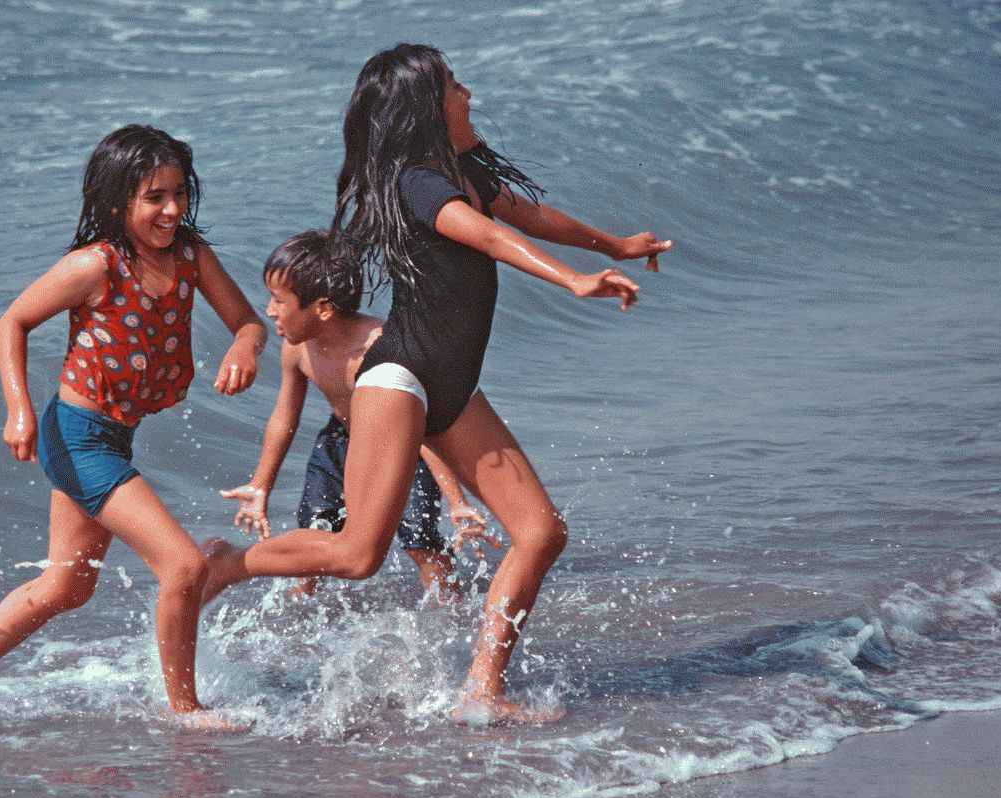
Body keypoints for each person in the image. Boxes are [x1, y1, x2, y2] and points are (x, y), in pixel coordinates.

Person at [201, 44, 672, 724]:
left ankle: (482, 691)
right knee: (358, 554)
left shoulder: (464, 171)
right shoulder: (418, 184)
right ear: (426, 106)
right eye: (454, 85)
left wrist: (616, 245)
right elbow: (488, 237)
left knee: (540, 533)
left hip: (452, 385)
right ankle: (228, 564)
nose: (468, 93)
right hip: (400, 377)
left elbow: (531, 217)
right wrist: (571, 280)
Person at [0, 124, 266, 727]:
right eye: (155, 198)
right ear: (117, 202)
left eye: (180, 193)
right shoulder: (95, 265)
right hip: (75, 436)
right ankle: (184, 710)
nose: (172, 210)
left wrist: (245, 346)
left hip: (114, 438)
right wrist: (19, 409)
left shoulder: (190, 256)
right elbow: (12, 322)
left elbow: (249, 322)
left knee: (66, 588)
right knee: (183, 567)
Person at [218, 229, 499, 601]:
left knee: (420, 541)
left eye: (279, 301)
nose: (269, 311)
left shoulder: (380, 349)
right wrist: (260, 484)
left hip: (404, 445)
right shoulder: (297, 349)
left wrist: (456, 500)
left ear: (322, 308)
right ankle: (299, 612)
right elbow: (285, 417)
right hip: (340, 443)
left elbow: (425, 433)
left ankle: (450, 611)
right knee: (316, 535)